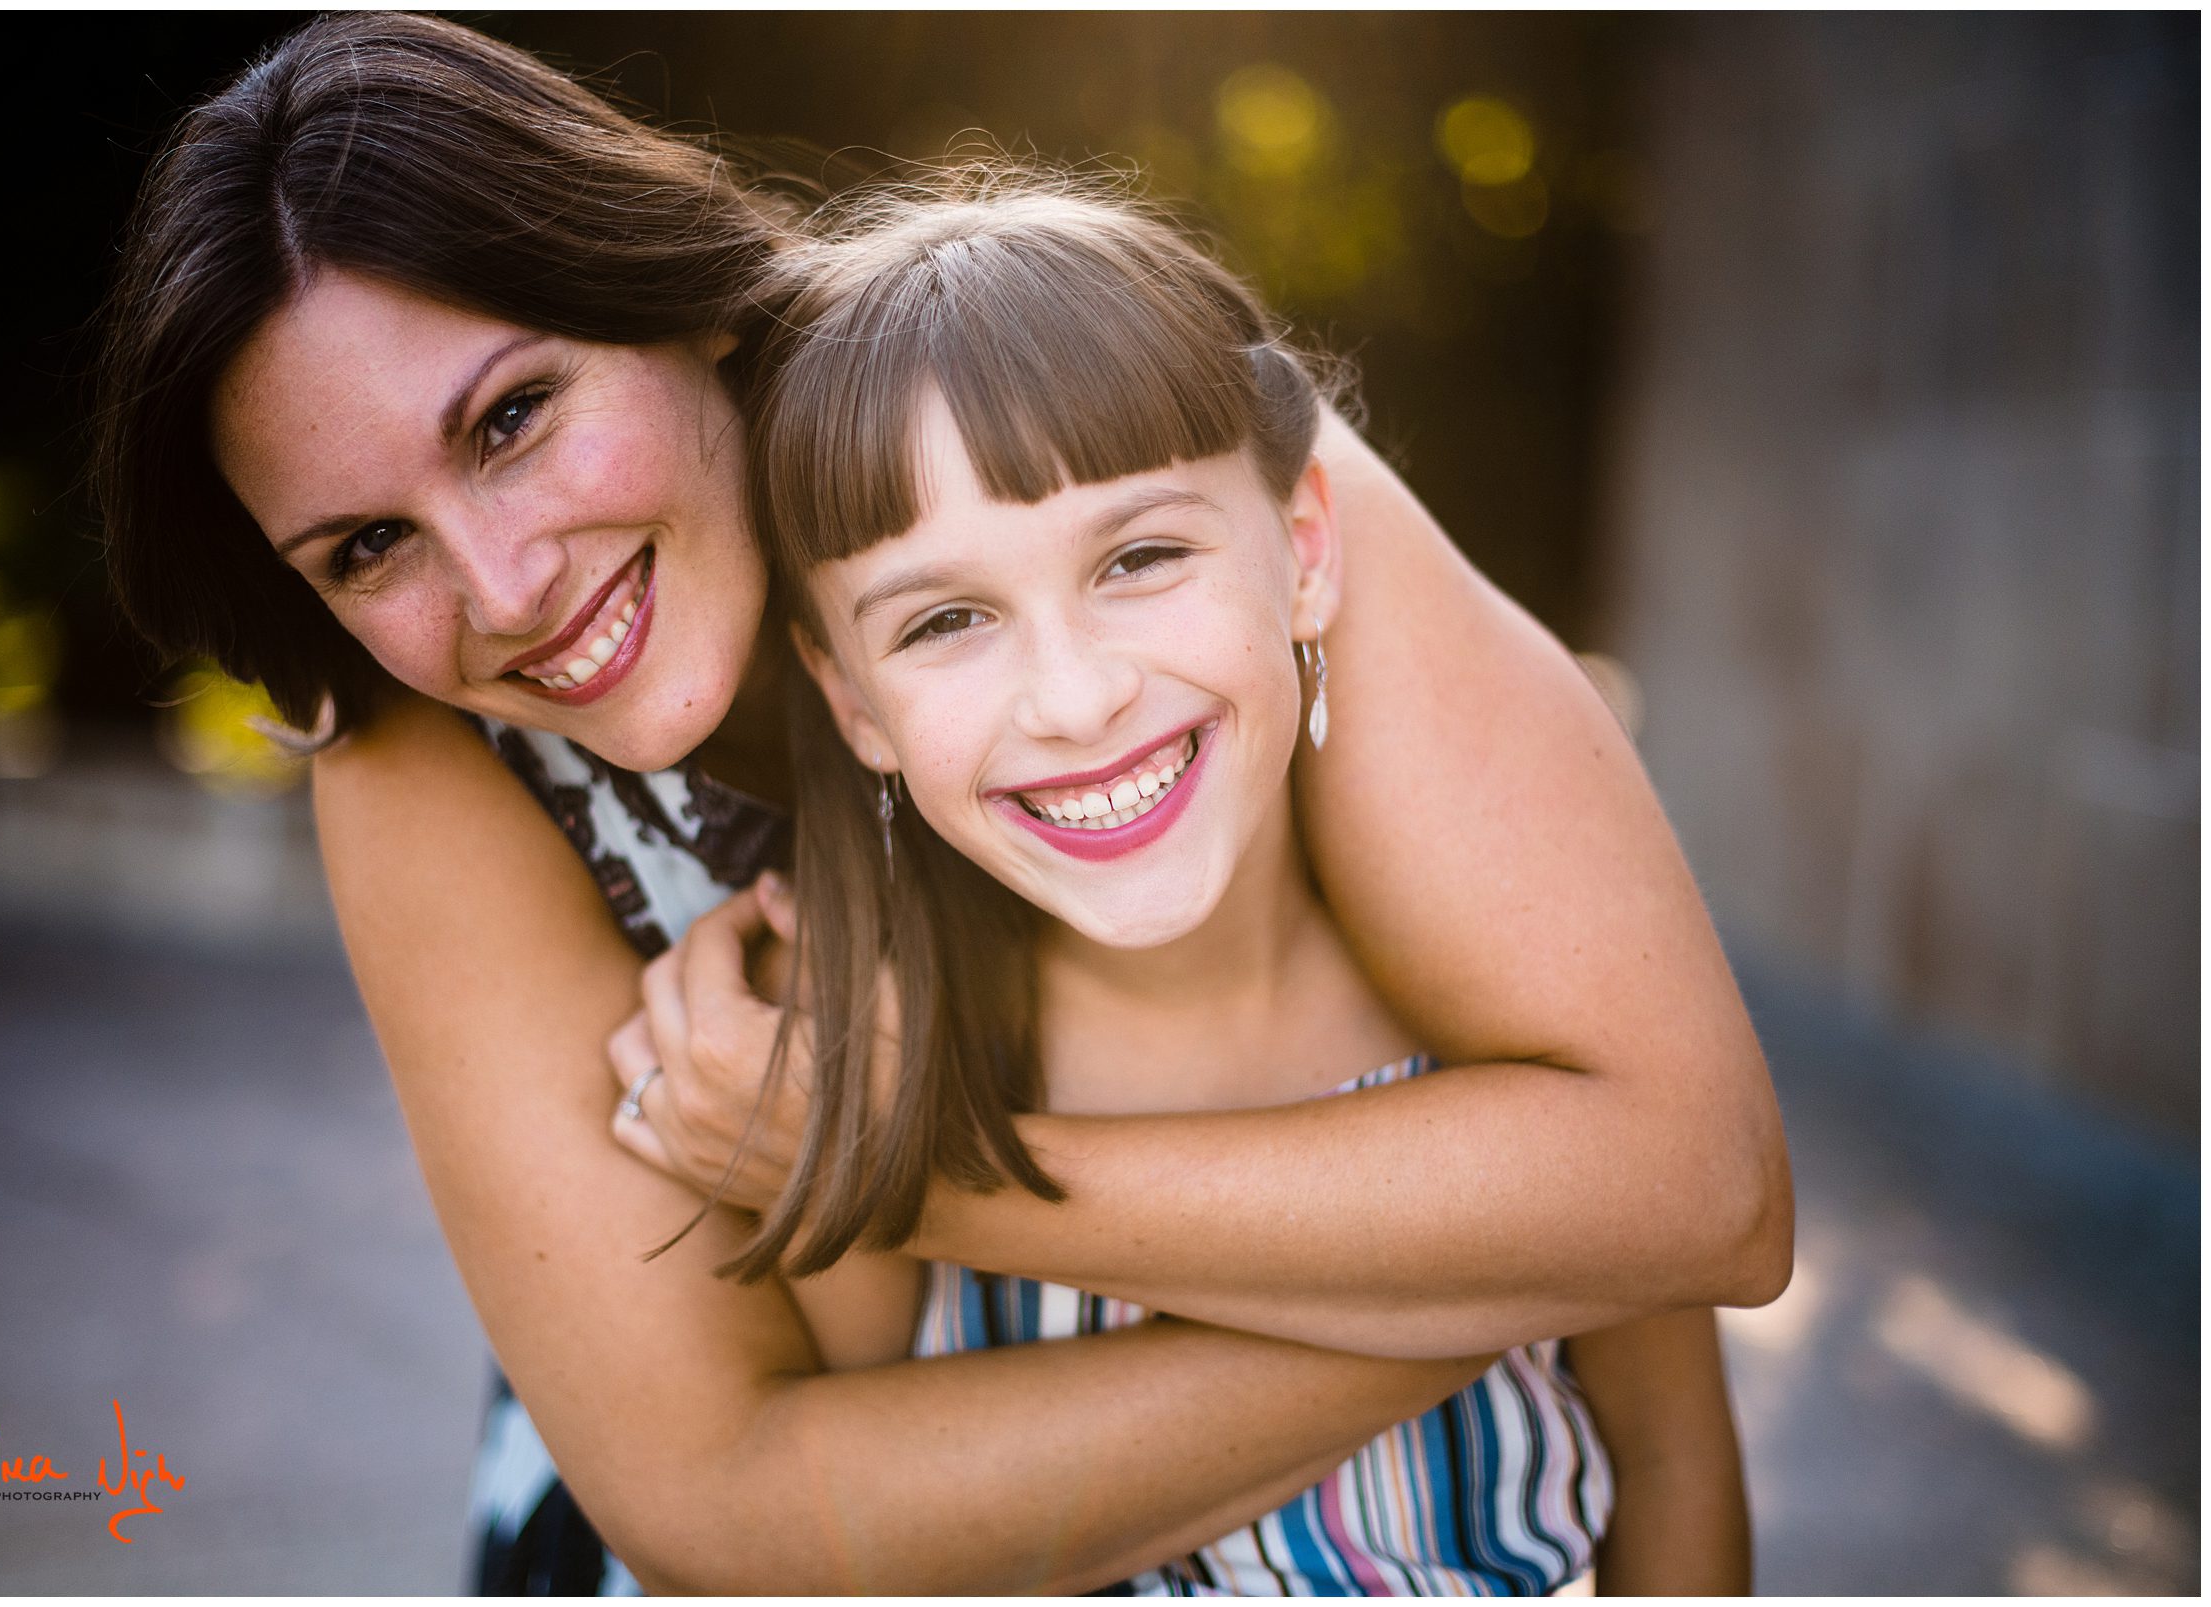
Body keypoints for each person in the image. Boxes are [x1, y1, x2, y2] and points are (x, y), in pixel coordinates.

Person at [94, 12, 1790, 1594]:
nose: (504, 584)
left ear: (667, 294)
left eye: (517, 418)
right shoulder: (411, 749)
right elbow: (728, 1506)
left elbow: (1690, 1193)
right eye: (365, 548)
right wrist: (1496, 1266)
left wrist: (901, 1174)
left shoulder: (1104, 425)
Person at [605, 175, 1749, 1595]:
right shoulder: (873, 1057)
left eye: (1140, 556)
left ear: (1309, 552)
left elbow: (1679, 1461)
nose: (1077, 698)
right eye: (948, 620)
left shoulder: (1508, 1025)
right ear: (853, 707)